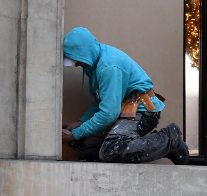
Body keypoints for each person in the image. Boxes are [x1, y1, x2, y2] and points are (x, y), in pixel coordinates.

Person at [62, 27, 189, 164]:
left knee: (111, 150)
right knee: (90, 152)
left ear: (86, 52)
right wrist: (79, 123)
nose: (76, 65)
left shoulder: (108, 67)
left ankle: (170, 140)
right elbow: (100, 102)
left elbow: (108, 114)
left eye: (76, 60)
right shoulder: (92, 64)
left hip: (143, 111)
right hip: (123, 110)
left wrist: (74, 135)